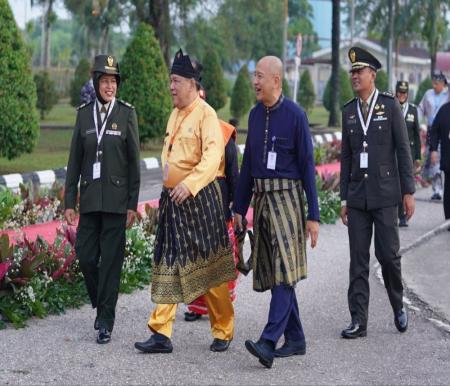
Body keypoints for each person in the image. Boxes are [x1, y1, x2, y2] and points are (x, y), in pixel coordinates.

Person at [134, 49, 236, 354]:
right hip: (172, 202)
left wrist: (188, 185)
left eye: (176, 81)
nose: (171, 87)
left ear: (192, 83)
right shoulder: (175, 113)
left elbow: (212, 158)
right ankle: (160, 332)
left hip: (200, 202)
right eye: (170, 81)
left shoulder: (206, 115)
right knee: (167, 262)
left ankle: (223, 329)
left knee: (209, 269)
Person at [233, 56, 320, 369]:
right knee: (274, 272)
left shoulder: (296, 116)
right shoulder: (255, 116)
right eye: (253, 76)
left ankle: (269, 341)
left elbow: (309, 166)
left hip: (288, 201)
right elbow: (247, 169)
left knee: (284, 271)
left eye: (259, 76)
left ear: (276, 81)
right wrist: (239, 209)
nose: (255, 82)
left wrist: (314, 216)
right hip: (262, 202)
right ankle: (295, 338)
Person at [340, 47, 415, 339]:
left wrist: (407, 191)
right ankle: (359, 320)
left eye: (359, 71)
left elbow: (403, 149)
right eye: (352, 72)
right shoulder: (348, 111)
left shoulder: (389, 105)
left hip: (385, 195)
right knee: (358, 261)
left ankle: (398, 303)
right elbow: (346, 158)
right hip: (358, 197)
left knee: (388, 257)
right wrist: (345, 198)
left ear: (373, 74)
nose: (354, 76)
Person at [64, 54, 140, 344]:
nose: (110, 86)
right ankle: (101, 302)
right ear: (96, 83)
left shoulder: (126, 113)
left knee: (111, 262)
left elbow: (134, 162)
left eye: (114, 81)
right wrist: (70, 201)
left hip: (118, 203)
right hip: (91, 198)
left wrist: (133, 204)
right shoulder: (83, 114)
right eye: (105, 81)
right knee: (85, 255)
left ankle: (105, 320)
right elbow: (74, 160)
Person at [184, 109, 240, 322]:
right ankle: (196, 307)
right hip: (193, 205)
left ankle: (220, 308)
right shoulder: (187, 133)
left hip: (218, 207)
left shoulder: (224, 133)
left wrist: (238, 209)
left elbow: (234, 174)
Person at [419, 72, 450, 200]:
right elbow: (420, 109)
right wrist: (419, 124)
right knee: (431, 160)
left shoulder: (447, 94)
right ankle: (437, 188)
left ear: (443, 84)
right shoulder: (428, 94)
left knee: (438, 161)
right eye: (433, 83)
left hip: (445, 131)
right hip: (432, 130)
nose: (434, 85)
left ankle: (439, 190)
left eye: (437, 83)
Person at [395, 81, 421, 227]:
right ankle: (399, 214)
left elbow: (417, 135)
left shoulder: (412, 110)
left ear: (407, 94)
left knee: (406, 185)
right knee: (397, 185)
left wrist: (418, 157)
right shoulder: (392, 107)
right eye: (399, 92)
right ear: (396, 92)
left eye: (404, 93)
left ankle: (404, 215)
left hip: (409, 155)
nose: (402, 95)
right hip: (394, 154)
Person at [429, 99, 450, 231]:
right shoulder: (444, 110)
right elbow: (434, 130)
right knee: (448, 190)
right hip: (449, 159)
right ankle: (449, 220)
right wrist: (434, 149)